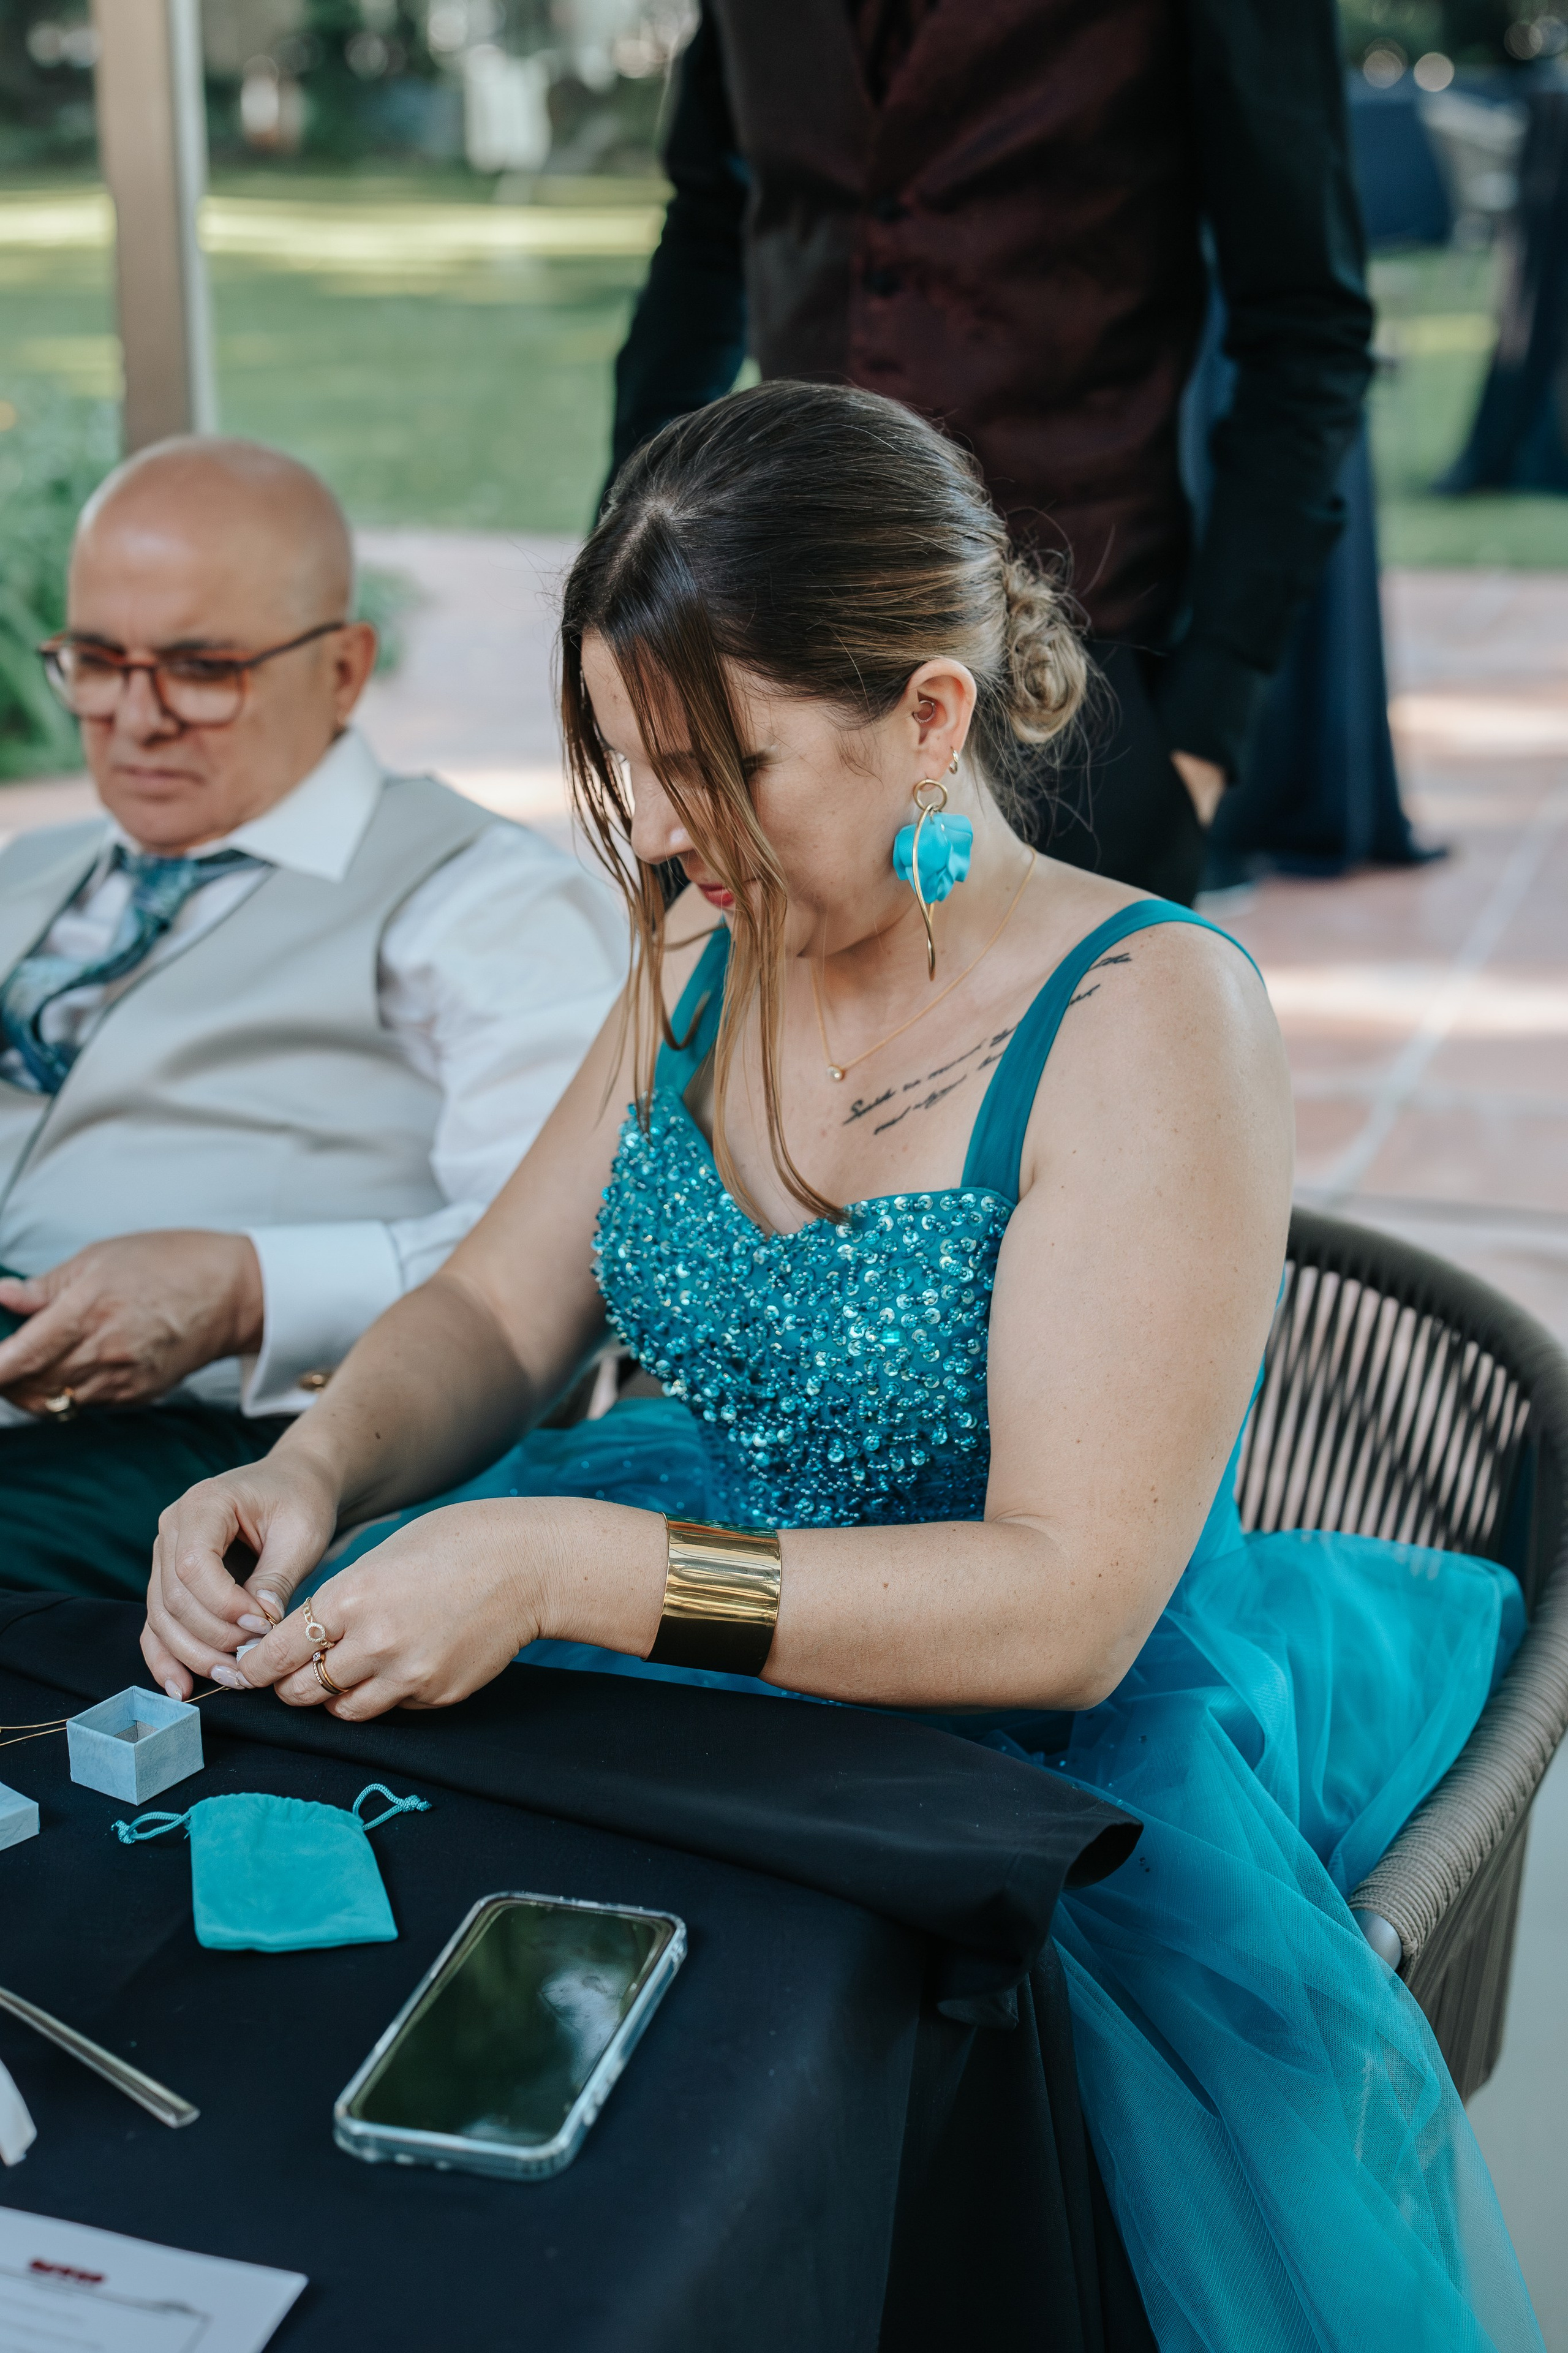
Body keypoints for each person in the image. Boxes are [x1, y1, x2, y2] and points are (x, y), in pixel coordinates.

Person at [145, 386, 1539, 2349]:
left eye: (726, 767)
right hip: (679, 1633)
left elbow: (1066, 1600)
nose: (666, 833)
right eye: (630, 771)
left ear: (933, 719)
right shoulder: (709, 932)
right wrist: (321, 1470)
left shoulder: (1146, 1016)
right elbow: (497, 1313)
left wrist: (556, 1567)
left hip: (1017, 1746)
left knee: (734, 2150)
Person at [0, 436, 624, 1599]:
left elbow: (574, 1255)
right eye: (95, 660)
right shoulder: (28, 872)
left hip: (237, 1457)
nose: (135, 719)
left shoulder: (480, 898)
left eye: (201, 667)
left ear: (343, 667)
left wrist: (253, 1288)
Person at [605, 0, 1375, 906]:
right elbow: (704, 236)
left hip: (1076, 702)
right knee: (734, 1046)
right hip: (750, 682)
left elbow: (1306, 325)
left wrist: (1208, 725)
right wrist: (628, 572)